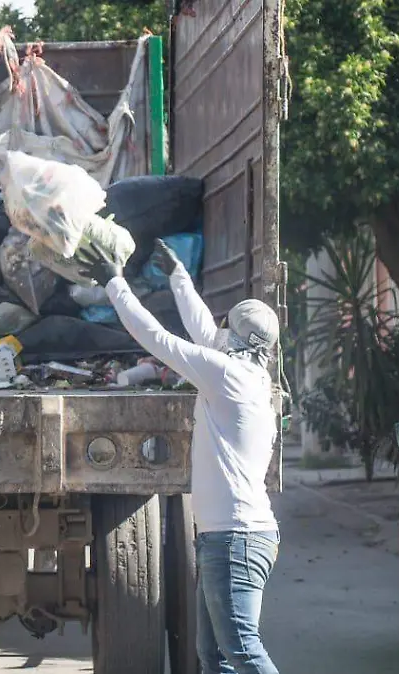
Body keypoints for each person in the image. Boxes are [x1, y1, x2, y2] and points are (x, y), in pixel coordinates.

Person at [78, 240, 282, 674]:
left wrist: (116, 284)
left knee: (242, 650)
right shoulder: (248, 375)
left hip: (235, 539)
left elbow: (159, 339)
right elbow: (206, 333)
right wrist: (178, 277)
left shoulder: (230, 376)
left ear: (237, 338)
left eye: (227, 326)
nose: (218, 331)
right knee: (215, 658)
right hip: (230, 537)